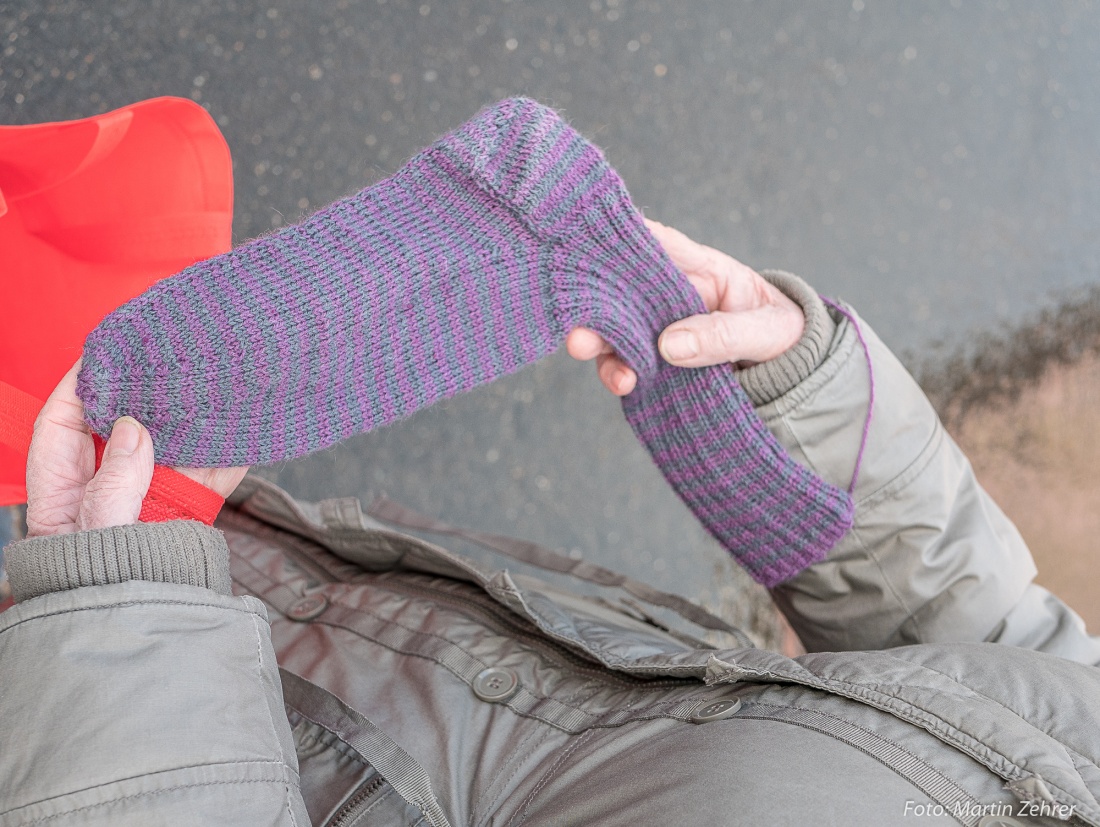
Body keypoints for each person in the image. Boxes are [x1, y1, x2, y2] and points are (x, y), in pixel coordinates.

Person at [3, 220, 1099, 827]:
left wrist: (117, 649)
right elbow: (1000, 664)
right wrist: (799, 410)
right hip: (259, 597)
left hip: (95, 725)